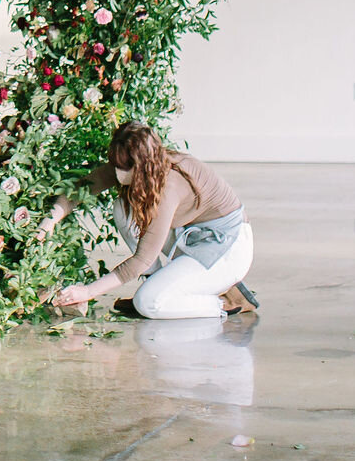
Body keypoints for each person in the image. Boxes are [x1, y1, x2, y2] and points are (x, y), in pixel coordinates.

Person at [39, 121, 257, 320]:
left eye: (123, 167)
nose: (116, 172)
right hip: (192, 234)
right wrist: (50, 220)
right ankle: (158, 281)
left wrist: (87, 291)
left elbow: (141, 259)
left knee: (149, 302)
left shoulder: (168, 188)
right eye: (114, 163)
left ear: (142, 166)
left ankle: (227, 301)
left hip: (228, 248)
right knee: (123, 208)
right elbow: (82, 187)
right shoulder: (141, 163)